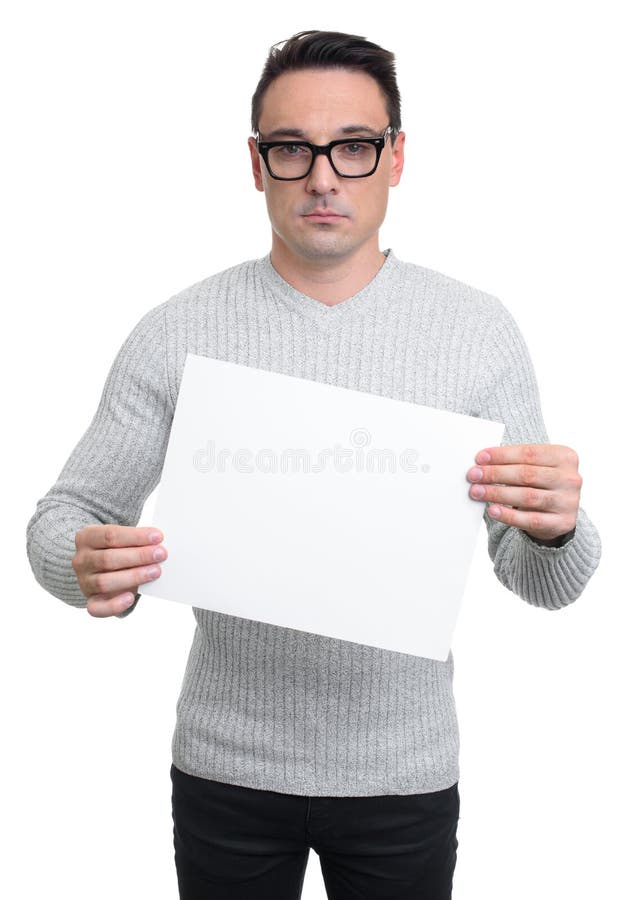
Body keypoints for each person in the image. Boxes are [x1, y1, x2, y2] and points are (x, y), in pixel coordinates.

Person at [26, 29, 601, 900]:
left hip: (403, 774)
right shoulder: (178, 330)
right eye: (292, 148)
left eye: (353, 147)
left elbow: (538, 580)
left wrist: (558, 531)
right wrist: (82, 564)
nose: (324, 176)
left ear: (396, 158)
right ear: (256, 165)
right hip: (226, 768)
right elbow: (61, 516)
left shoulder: (475, 333)